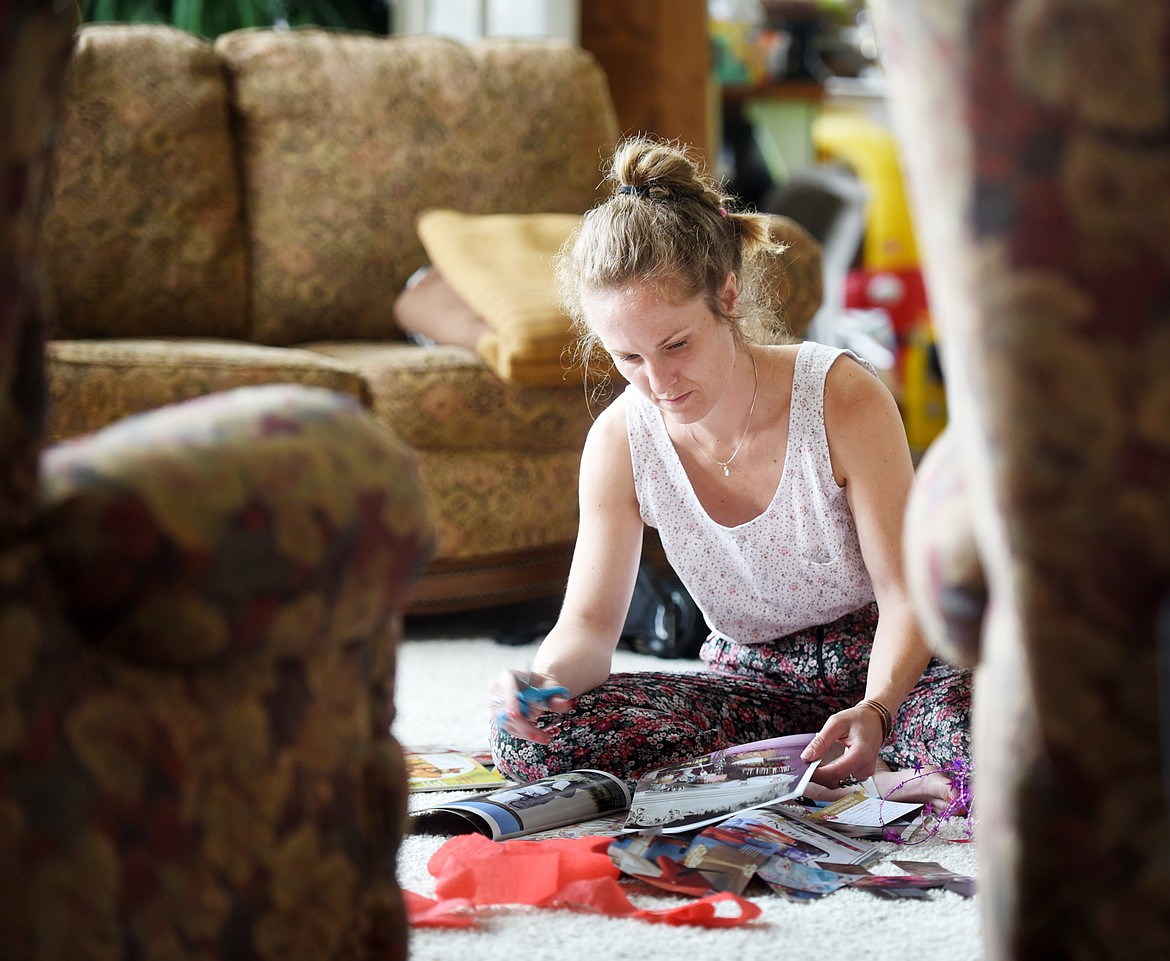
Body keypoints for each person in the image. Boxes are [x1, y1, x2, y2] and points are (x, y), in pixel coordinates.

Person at [489, 135, 971, 809]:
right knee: (533, 742)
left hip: (895, 668)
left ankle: (871, 743)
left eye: (676, 344)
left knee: (991, 733)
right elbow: (589, 631)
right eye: (628, 357)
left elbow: (907, 596)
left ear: (728, 293)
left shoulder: (842, 397)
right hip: (756, 683)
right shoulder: (619, 443)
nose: (657, 382)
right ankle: (815, 758)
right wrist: (540, 682)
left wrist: (879, 708)